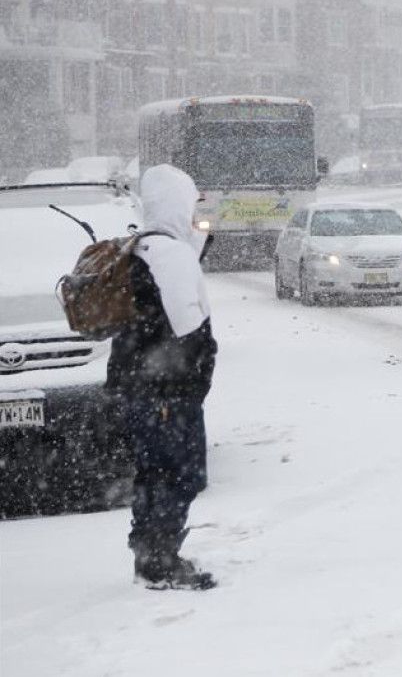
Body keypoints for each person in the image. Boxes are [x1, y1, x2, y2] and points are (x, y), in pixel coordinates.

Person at [107, 164, 218, 590]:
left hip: (142, 386)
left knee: (153, 471)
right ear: (176, 205)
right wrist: (190, 386)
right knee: (180, 473)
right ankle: (161, 561)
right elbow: (188, 329)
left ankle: (151, 556)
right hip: (166, 390)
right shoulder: (169, 255)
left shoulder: (142, 247)